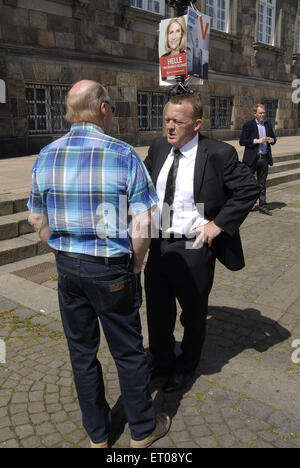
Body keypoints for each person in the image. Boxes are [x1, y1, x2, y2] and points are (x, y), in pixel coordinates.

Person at [27, 80, 171, 448]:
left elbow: (36, 220)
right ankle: (141, 429)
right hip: (111, 269)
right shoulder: (122, 154)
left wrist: (60, 251)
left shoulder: (46, 155)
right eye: (112, 105)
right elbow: (144, 221)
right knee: (127, 349)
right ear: (102, 108)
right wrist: (136, 264)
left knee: (81, 352)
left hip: (69, 268)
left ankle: (97, 433)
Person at [144, 93, 260, 393]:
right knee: (158, 310)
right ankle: (161, 360)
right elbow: (142, 184)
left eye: (177, 122)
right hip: (158, 244)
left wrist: (217, 224)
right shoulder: (158, 148)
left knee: (193, 313)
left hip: (194, 245)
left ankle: (187, 365)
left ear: (196, 124)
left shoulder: (219, 153)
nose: (169, 127)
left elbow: (248, 190)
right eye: (167, 120)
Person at [239, 104, 277, 216]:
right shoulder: (248, 125)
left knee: (262, 184)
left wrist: (272, 140)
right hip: (251, 159)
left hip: (264, 159)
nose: (263, 115)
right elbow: (242, 141)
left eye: (264, 112)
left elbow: (274, 139)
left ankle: (263, 206)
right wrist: (257, 141)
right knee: (247, 184)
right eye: (260, 113)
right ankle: (245, 206)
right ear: (255, 114)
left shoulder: (268, 124)